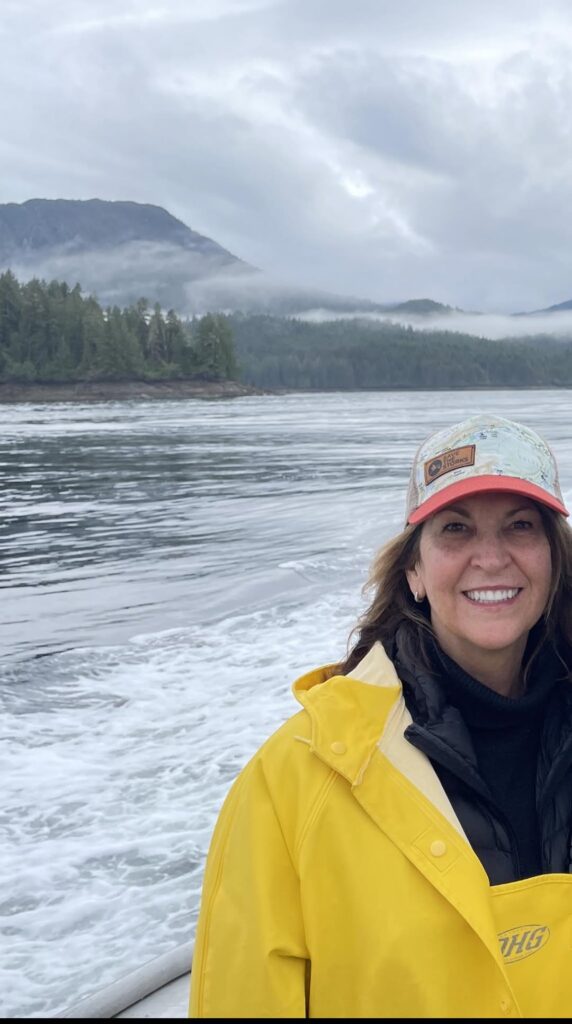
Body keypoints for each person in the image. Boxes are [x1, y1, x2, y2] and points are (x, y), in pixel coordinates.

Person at [189, 413, 572, 1019]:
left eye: (520, 526)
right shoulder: (296, 778)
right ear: (413, 570)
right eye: (455, 529)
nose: (491, 557)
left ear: (553, 560)